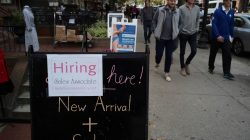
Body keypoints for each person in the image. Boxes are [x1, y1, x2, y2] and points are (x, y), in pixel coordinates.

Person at [152, 0, 179, 82]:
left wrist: (177, 31)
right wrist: (155, 30)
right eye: (171, 0)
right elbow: (154, 20)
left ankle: (167, 73)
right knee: (159, 53)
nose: (173, 2)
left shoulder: (177, 12)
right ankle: (157, 63)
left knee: (169, 56)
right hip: (160, 37)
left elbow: (180, 23)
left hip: (171, 38)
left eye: (174, 1)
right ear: (167, 1)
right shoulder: (160, 10)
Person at [208, 0, 235, 80]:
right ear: (224, 1)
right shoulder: (217, 11)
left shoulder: (231, 12)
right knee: (213, 53)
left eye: (230, 1)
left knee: (227, 55)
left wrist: (231, 36)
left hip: (226, 37)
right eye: (227, 1)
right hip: (216, 37)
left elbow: (231, 25)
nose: (229, 2)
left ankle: (226, 72)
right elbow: (214, 24)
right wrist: (217, 36)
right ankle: (211, 67)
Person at [179, 0, 200, 76]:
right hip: (183, 33)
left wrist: (197, 28)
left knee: (194, 51)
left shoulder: (197, 8)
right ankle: (182, 68)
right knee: (182, 52)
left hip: (193, 33)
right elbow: (178, 20)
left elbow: (198, 19)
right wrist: (179, 30)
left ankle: (187, 63)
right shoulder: (181, 8)